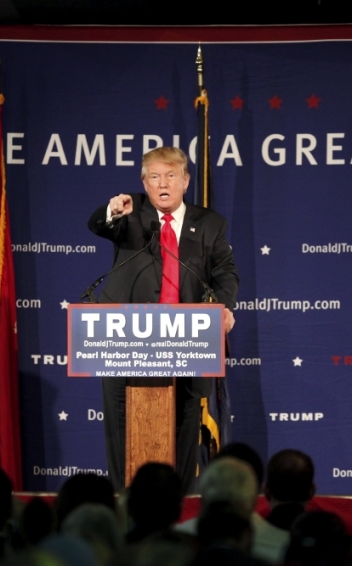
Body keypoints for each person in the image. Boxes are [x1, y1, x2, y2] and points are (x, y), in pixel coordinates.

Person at [88, 146, 239, 492]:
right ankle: (124, 504)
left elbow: (225, 273)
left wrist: (223, 306)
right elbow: (98, 225)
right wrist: (112, 210)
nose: (162, 184)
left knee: (184, 428)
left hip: (187, 339)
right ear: (144, 182)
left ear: (186, 181)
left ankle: (180, 505)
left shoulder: (210, 224)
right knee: (121, 429)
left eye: (171, 175)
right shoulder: (131, 213)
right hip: (123, 341)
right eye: (154, 177)